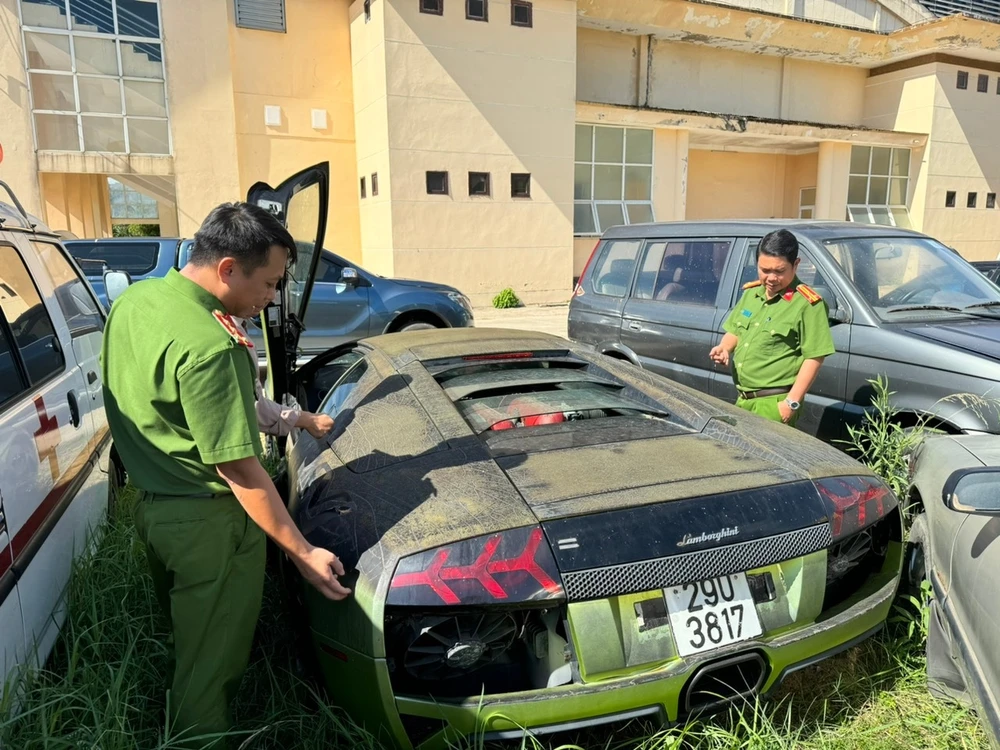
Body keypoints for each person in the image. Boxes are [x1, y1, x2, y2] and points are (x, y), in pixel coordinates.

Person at [100, 203, 351, 748]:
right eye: (269, 283)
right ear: (228, 268)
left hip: (154, 509)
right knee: (209, 672)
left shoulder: (136, 302)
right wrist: (303, 553)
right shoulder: (214, 346)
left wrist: (294, 418)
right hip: (210, 527)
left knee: (188, 643)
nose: (271, 298)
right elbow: (238, 468)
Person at [709, 228, 835, 427]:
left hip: (774, 403)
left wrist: (791, 403)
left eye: (779, 271)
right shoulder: (751, 294)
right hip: (743, 399)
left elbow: (815, 357)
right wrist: (724, 347)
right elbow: (736, 330)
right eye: (765, 270)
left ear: (796, 264)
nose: (771, 278)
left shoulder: (808, 304)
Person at [231, 314, 334, 439]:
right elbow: (246, 407)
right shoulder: (228, 341)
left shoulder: (233, 325)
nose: (269, 300)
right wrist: (308, 420)